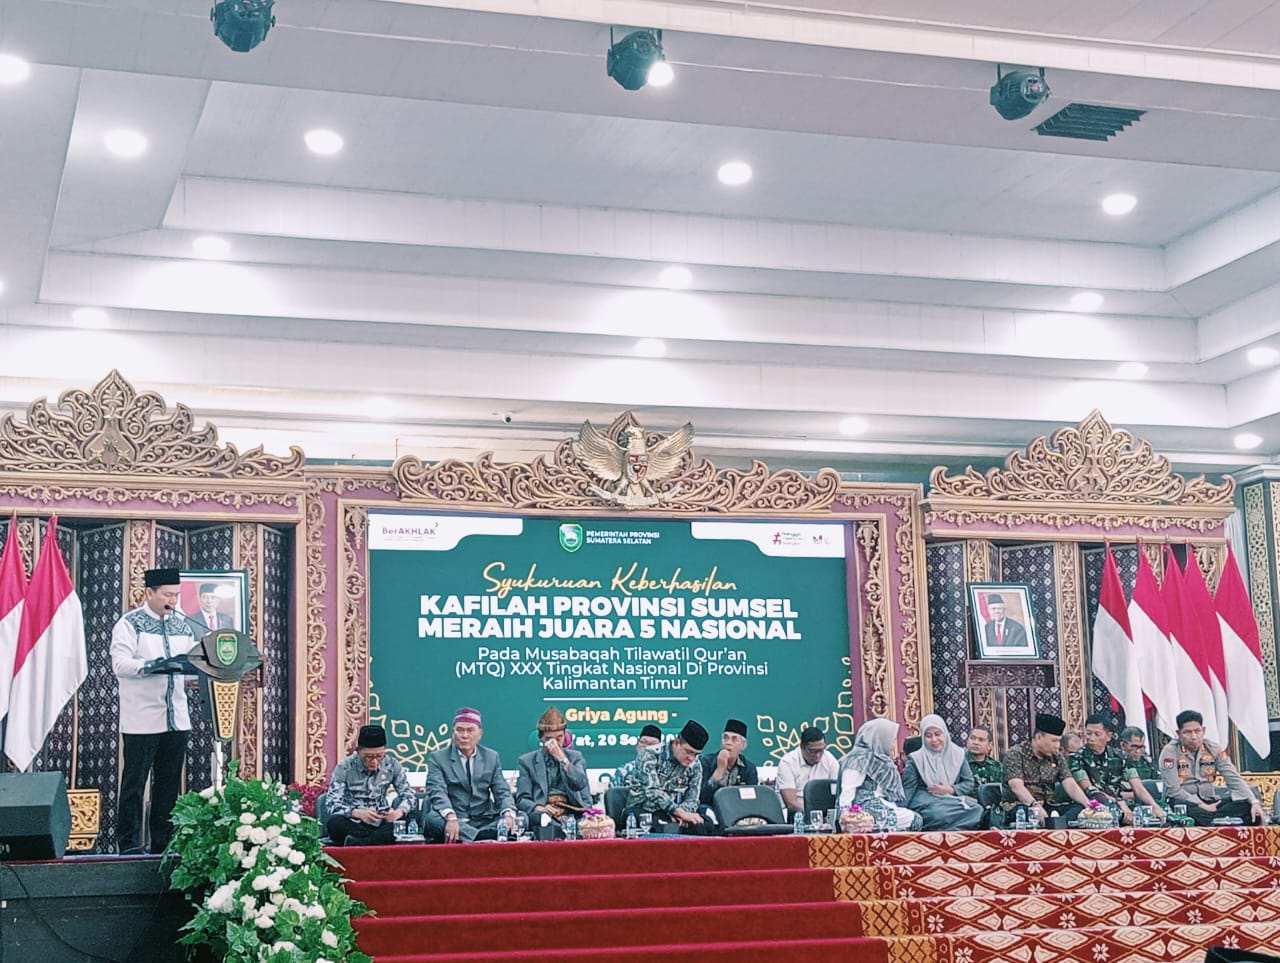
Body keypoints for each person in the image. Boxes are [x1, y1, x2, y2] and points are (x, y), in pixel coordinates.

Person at [110, 567, 200, 855]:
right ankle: (128, 846)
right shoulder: (130, 624)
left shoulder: (183, 626)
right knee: (135, 785)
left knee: (168, 785)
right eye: (167, 595)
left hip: (177, 719)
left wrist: (199, 674)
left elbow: (193, 664)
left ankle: (162, 845)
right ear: (149, 592)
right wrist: (151, 666)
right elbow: (120, 664)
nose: (173, 601)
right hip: (142, 720)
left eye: (176, 595)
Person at [423, 707, 517, 843]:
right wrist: (450, 817)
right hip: (455, 818)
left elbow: (502, 791)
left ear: (480, 734)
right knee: (433, 820)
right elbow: (437, 791)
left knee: (521, 817)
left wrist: (508, 814)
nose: (464, 735)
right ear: (453, 733)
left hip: (485, 818)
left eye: (470, 730)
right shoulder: (438, 758)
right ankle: (481, 838)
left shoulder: (491, 757)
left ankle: (475, 835)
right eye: (460, 730)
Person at [1159, 710, 1267, 826]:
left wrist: (1254, 802)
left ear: (1203, 730)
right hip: (1186, 803)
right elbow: (1174, 791)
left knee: (1248, 807)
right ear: (1178, 733)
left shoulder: (1213, 748)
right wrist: (1202, 805)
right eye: (1187, 733)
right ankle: (1217, 822)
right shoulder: (1170, 752)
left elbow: (1233, 778)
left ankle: (1213, 821)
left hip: (1211, 802)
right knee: (1184, 809)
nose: (1194, 737)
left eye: (1197, 731)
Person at [323, 724, 416, 846]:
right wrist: (357, 813)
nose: (374, 761)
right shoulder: (344, 767)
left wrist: (397, 813)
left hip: (382, 821)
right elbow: (332, 803)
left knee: (413, 818)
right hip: (355, 823)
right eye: (368, 757)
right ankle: (375, 841)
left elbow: (409, 795)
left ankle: (360, 843)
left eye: (379, 756)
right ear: (358, 751)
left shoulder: (392, 765)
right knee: (334, 823)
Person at [1069, 714, 1164, 825]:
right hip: (1091, 806)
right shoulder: (1076, 758)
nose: (1091, 738)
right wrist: (1119, 802)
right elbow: (1090, 789)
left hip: (1120, 806)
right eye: (1088, 733)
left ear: (1108, 736)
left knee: (1151, 817)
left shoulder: (1121, 757)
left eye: (1097, 734)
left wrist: (1154, 806)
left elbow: (1138, 787)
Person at [1001, 713, 1090, 826]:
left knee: (1081, 810)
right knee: (1025, 812)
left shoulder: (1057, 757)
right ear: (1039, 737)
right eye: (1054, 741)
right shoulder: (1015, 754)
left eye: (1059, 741)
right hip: (1022, 806)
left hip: (1048, 807)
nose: (1057, 746)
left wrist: (1089, 805)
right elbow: (1016, 787)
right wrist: (1035, 807)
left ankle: (1056, 824)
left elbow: (1070, 784)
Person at [625, 719, 711, 834]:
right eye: (688, 752)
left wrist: (682, 814)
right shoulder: (649, 754)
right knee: (661, 825)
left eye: (696, 754)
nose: (691, 758)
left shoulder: (695, 765)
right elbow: (652, 791)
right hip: (644, 809)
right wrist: (677, 812)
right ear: (676, 743)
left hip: (675, 813)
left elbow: (693, 799)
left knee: (705, 824)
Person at [837, 718, 922, 831]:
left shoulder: (883, 761)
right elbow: (848, 790)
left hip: (882, 806)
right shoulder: (859, 758)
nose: (892, 745)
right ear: (879, 738)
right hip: (863, 810)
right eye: (891, 740)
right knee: (913, 819)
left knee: (915, 819)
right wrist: (847, 818)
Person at [902, 714, 982, 830]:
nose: (934, 739)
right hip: (926, 802)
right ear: (923, 738)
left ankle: (950, 833)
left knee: (977, 810)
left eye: (937, 734)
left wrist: (951, 789)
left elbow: (969, 783)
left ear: (945, 733)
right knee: (938, 814)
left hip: (950, 800)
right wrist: (902, 812)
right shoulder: (916, 759)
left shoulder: (958, 754)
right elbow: (908, 789)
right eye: (928, 736)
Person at [515, 707, 591, 824]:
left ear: (565, 735)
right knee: (543, 821)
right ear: (541, 738)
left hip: (573, 812)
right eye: (549, 739)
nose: (554, 744)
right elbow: (522, 799)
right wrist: (538, 807)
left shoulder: (575, 757)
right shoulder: (527, 761)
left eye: (559, 738)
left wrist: (563, 759)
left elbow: (580, 784)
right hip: (545, 813)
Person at [776, 726, 839, 818]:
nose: (818, 755)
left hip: (826, 814)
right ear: (802, 747)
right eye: (813, 751)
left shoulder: (830, 760)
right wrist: (815, 814)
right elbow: (791, 802)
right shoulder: (787, 762)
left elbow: (837, 794)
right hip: (797, 815)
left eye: (821, 750)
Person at [698, 718, 759, 806]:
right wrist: (719, 770)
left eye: (734, 739)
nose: (728, 743)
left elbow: (751, 799)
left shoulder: (749, 768)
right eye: (725, 738)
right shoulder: (705, 762)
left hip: (739, 808)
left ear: (743, 745)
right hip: (711, 807)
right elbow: (701, 797)